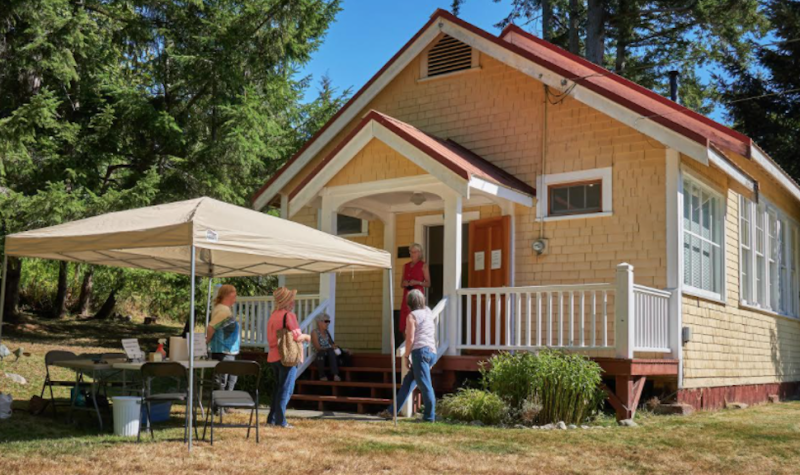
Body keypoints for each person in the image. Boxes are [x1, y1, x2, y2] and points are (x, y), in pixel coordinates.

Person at [379, 289, 437, 422]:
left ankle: (429, 417)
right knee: (408, 382)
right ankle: (391, 411)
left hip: (420, 353)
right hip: (431, 351)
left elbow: (410, 339)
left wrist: (406, 356)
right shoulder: (428, 311)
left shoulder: (412, 316)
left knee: (425, 385)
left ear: (409, 303)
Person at [266, 286, 311, 428]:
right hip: (287, 356)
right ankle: (281, 421)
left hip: (273, 355)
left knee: (279, 388)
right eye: (292, 300)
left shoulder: (273, 315)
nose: (294, 302)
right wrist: (308, 337)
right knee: (286, 389)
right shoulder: (289, 315)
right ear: (287, 302)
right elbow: (297, 336)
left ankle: (272, 419)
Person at [206, 284, 241, 392]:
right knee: (222, 380)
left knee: (230, 379)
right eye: (234, 296)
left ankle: (225, 405)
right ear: (228, 295)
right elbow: (211, 327)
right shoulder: (223, 311)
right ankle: (220, 406)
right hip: (223, 351)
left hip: (227, 351)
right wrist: (206, 342)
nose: (235, 299)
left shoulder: (223, 309)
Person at [399, 243, 431, 336]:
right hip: (407, 295)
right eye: (410, 252)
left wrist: (417, 282)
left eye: (414, 252)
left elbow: (428, 283)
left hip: (417, 296)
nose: (412, 254)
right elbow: (401, 284)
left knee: (416, 319)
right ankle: (407, 345)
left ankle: (415, 345)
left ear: (419, 253)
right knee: (405, 321)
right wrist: (405, 283)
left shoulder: (423, 265)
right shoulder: (405, 266)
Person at [311, 313, 341, 382]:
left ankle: (335, 375)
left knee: (332, 351)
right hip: (321, 356)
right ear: (319, 322)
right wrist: (329, 348)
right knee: (323, 352)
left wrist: (337, 348)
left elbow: (332, 344)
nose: (328, 323)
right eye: (326, 321)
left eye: (328, 321)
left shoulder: (327, 332)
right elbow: (318, 347)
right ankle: (322, 375)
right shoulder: (315, 332)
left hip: (330, 356)